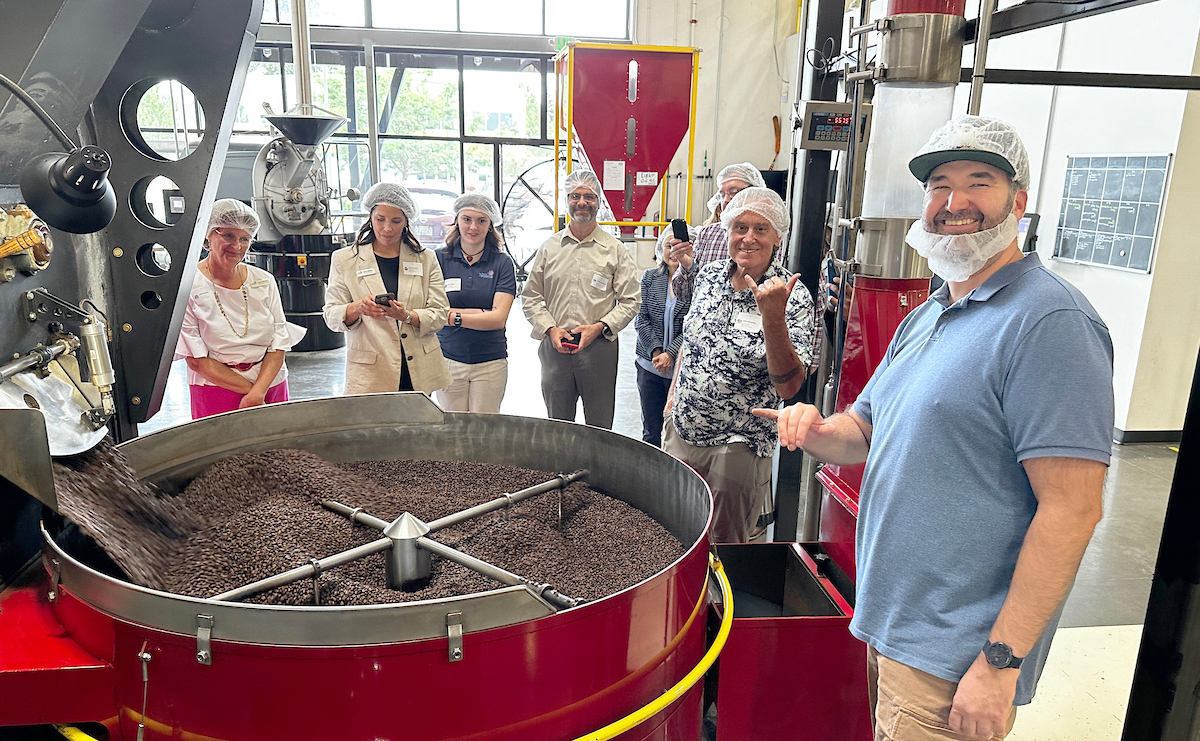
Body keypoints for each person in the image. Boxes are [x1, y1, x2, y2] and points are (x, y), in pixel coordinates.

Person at [756, 115, 1114, 740]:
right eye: (940, 185)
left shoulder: (1050, 323)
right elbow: (862, 432)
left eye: (980, 182)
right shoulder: (929, 314)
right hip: (893, 624)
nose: (955, 203)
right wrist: (814, 429)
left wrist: (1000, 666)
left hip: (956, 657)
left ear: (1019, 203)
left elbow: (1073, 510)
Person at [663, 187, 817, 543]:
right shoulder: (710, 276)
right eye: (740, 227)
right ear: (727, 231)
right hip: (683, 431)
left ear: (778, 236)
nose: (748, 238)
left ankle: (721, 602)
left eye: (760, 229)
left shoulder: (791, 295)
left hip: (737, 446)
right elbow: (693, 341)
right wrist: (672, 401)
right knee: (676, 535)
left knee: (725, 548)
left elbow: (790, 387)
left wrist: (772, 318)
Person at [521, 169, 639, 429]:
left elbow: (631, 300)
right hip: (555, 347)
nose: (582, 202)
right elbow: (529, 297)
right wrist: (550, 329)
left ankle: (596, 471)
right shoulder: (549, 248)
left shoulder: (614, 250)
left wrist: (599, 327)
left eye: (589, 196)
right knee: (558, 422)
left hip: (599, 347)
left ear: (599, 202)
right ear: (566, 200)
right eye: (575, 196)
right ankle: (563, 469)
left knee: (599, 424)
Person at [175, 199, 305, 419]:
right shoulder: (187, 285)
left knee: (276, 450)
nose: (237, 246)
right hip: (216, 387)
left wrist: (260, 390)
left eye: (244, 239)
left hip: (270, 383)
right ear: (209, 234)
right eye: (228, 236)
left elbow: (279, 342)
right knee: (222, 451)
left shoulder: (263, 281)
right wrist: (253, 392)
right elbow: (196, 359)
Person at [323, 182, 451, 395]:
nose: (387, 228)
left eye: (396, 221)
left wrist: (407, 316)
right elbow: (330, 315)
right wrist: (358, 307)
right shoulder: (345, 259)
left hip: (418, 370)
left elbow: (440, 313)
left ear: (406, 222)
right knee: (374, 428)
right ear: (370, 218)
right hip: (370, 374)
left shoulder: (426, 258)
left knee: (417, 427)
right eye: (380, 219)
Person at [433, 193, 517, 413]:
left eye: (481, 221)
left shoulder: (502, 263)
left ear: (490, 225)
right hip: (447, 359)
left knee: (484, 433)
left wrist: (452, 316)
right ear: (457, 220)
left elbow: (498, 319)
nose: (473, 227)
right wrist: (481, 313)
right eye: (467, 219)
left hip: (490, 363)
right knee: (453, 430)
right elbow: (432, 311)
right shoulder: (438, 259)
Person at [668, 162, 767, 303]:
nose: (726, 200)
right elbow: (686, 295)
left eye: (734, 193)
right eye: (722, 195)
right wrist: (687, 266)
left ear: (755, 192)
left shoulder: (769, 235)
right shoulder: (709, 234)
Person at [634, 225, 695, 446]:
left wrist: (670, 354)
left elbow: (693, 326)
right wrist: (657, 352)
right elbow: (641, 319)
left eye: (679, 246)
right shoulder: (650, 278)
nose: (673, 251)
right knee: (650, 430)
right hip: (649, 365)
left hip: (682, 369)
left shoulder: (697, 283)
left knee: (677, 432)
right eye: (669, 246)